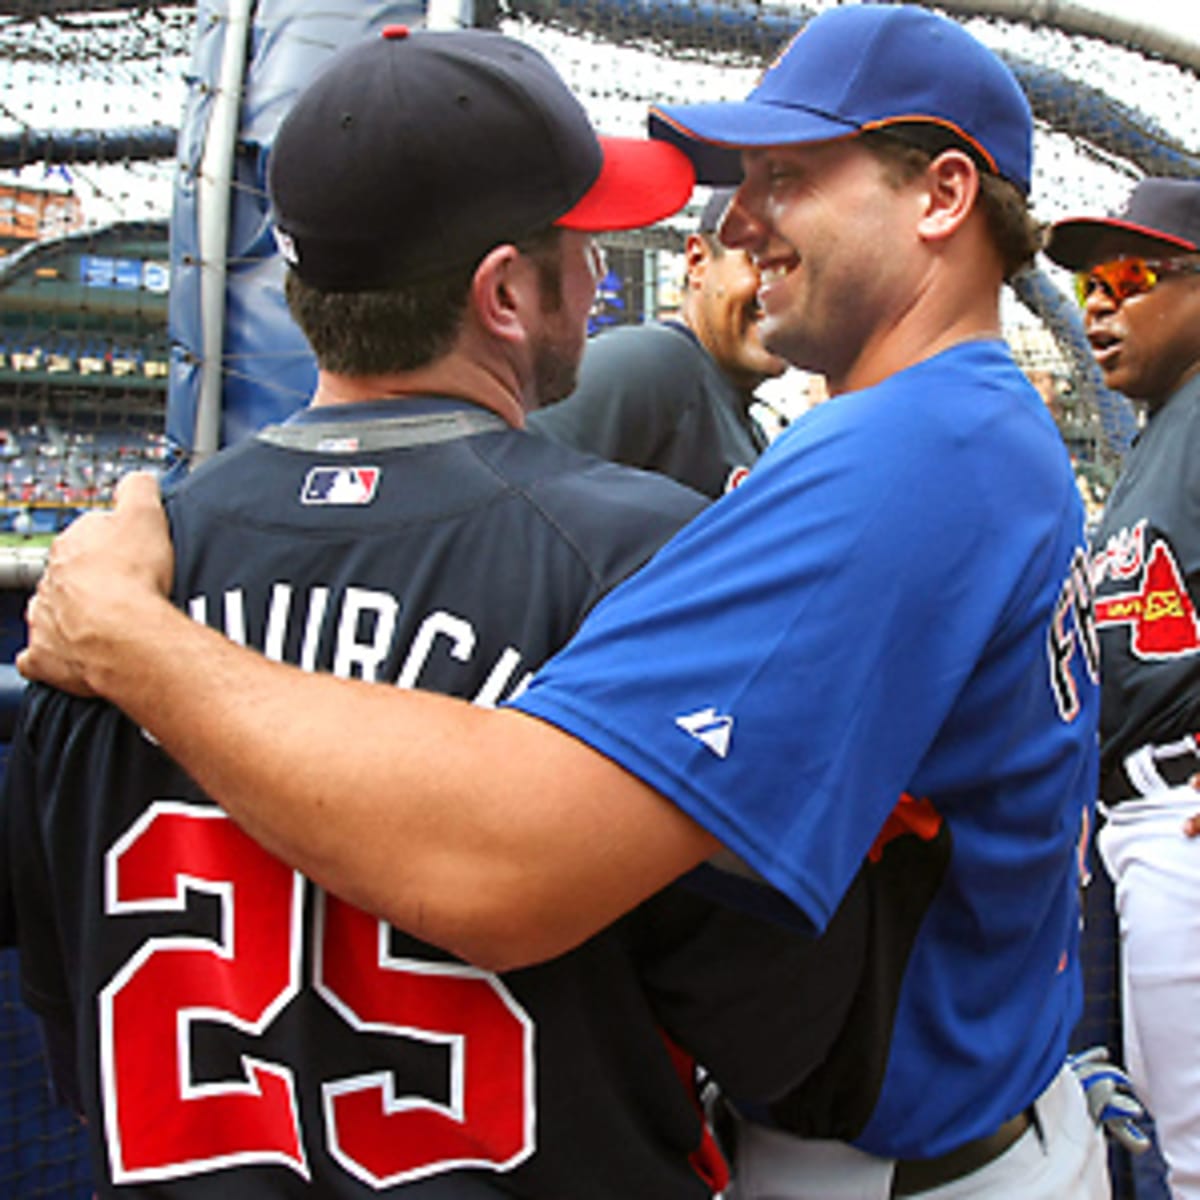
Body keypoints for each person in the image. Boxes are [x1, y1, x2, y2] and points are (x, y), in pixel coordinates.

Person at [18, 6, 1109, 1197]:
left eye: (785, 176)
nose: (735, 224)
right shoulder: (948, 434)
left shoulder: (917, 449)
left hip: (905, 1159)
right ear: (502, 293)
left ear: (944, 195)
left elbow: (509, 869)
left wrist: (139, 646)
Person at [0, 26, 756, 1198]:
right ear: (505, 292)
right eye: (580, 248)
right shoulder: (645, 555)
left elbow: (72, 1020)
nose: (600, 278)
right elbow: (764, 1020)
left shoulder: (101, 592)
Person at [1045, 176, 1200, 1200]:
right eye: (1092, 284)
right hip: (1138, 827)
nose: (1101, 302)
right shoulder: (1162, 436)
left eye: (1134, 275)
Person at [528, 186, 786, 497]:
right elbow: (505, 493)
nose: (779, 289)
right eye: (760, 260)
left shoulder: (743, 419)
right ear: (698, 261)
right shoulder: (652, 362)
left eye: (795, 267)